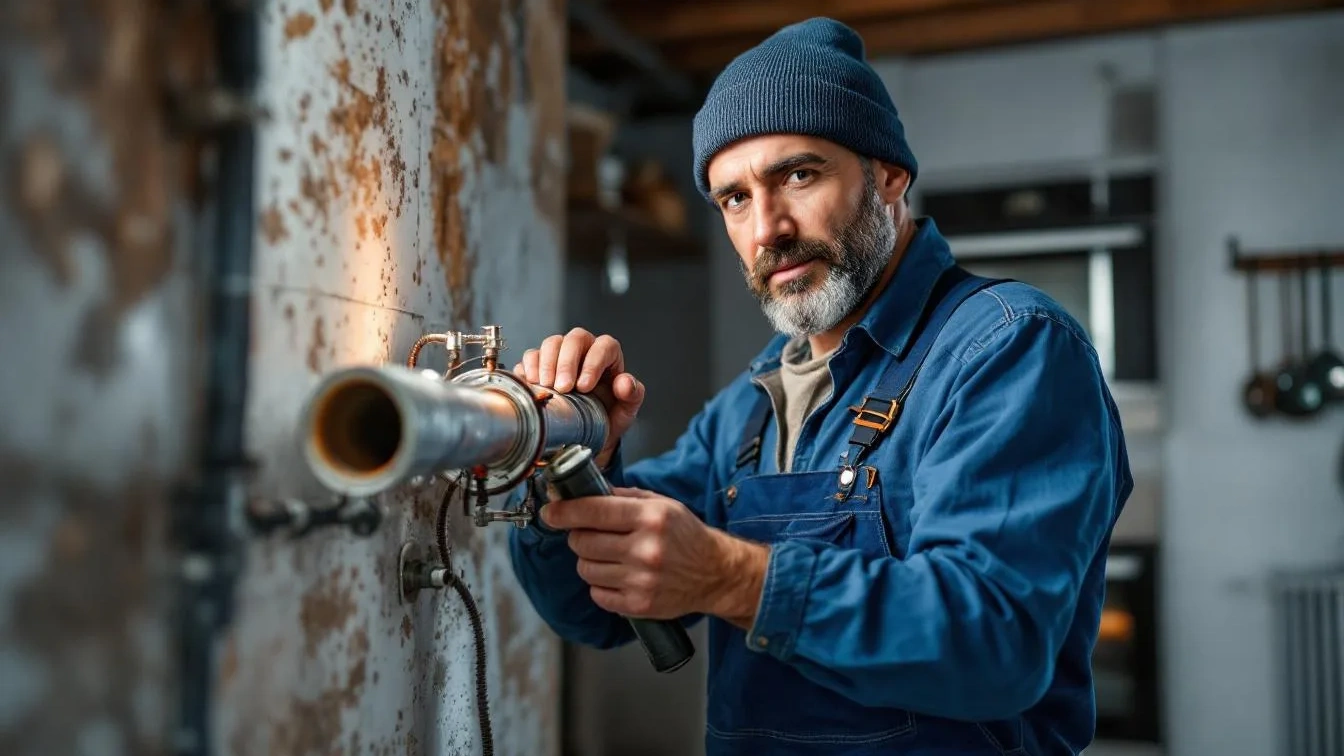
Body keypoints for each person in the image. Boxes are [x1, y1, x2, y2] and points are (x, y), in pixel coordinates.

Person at [509, 16, 1132, 756]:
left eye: (797, 176)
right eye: (734, 199)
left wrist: (731, 578)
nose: (766, 229)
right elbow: (594, 611)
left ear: (888, 174)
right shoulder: (749, 407)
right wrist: (567, 464)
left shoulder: (1009, 347)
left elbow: (996, 640)